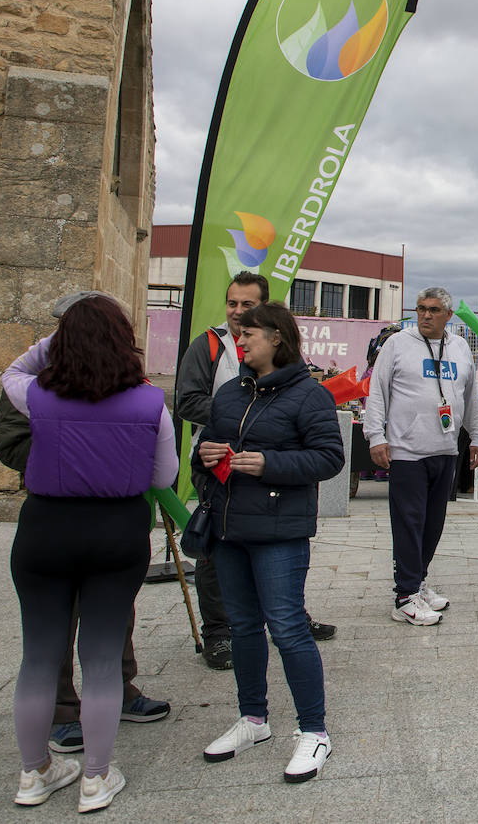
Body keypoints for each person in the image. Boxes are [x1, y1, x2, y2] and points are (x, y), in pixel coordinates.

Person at [1, 294, 179, 811]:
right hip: (115, 532)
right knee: (101, 658)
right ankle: (96, 780)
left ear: (63, 345)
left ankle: (34, 774)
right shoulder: (150, 404)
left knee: (38, 655)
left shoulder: (35, 396)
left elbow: (13, 369)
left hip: (45, 530)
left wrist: (55, 342)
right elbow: (164, 476)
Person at [197, 303, 344, 783]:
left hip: (280, 531)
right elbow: (207, 451)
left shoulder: (311, 396)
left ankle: (314, 730)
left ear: (277, 338)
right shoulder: (228, 394)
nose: (239, 341)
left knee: (287, 627)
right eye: (238, 335)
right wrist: (207, 455)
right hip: (230, 529)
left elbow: (328, 458)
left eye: (249, 334)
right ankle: (253, 719)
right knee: (243, 627)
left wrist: (268, 464)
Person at [175, 272, 335, 670]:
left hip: (269, 476)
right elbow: (186, 399)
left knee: (277, 552)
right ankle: (219, 631)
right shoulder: (209, 344)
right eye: (232, 304)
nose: (237, 313)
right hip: (219, 463)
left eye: (247, 306)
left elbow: (322, 448)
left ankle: (286, 615)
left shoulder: (283, 361)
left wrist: (262, 420)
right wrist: (240, 415)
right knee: (219, 545)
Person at [363, 287, 478, 626]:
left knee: (433, 523)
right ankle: (404, 596)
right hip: (407, 451)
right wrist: (375, 435)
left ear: (449, 315)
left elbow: (470, 397)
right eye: (420, 309)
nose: (425, 315)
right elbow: (377, 392)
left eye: (433, 310)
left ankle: (418, 582)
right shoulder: (397, 344)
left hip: (445, 449)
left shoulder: (460, 348)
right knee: (409, 522)